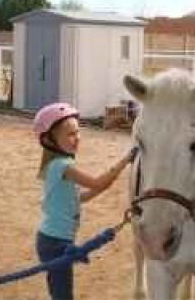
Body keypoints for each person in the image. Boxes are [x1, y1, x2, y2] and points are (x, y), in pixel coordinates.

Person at [33, 102, 135, 300]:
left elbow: (76, 199)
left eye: (77, 132)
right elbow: (97, 183)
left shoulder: (56, 165)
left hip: (51, 239)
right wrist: (125, 160)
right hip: (55, 243)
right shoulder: (62, 166)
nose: (76, 138)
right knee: (63, 294)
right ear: (50, 140)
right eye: (70, 134)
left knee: (59, 291)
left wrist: (103, 187)